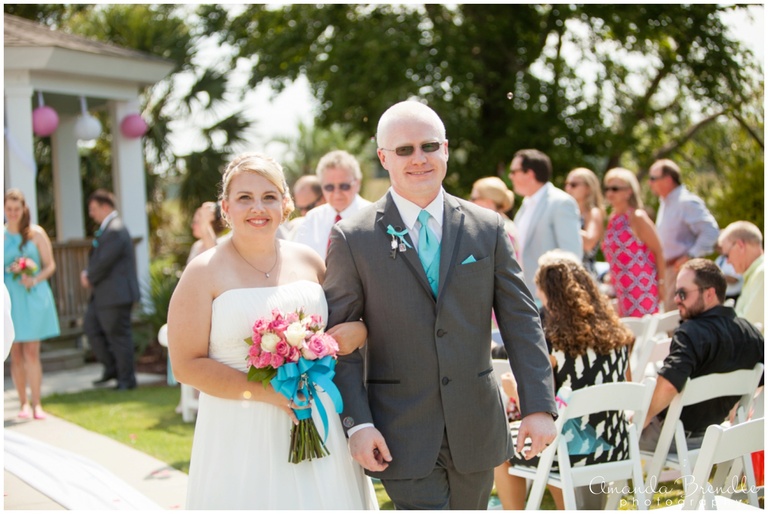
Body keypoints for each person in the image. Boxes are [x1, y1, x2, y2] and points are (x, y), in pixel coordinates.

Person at [324, 100, 557, 510]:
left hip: (476, 427)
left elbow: (523, 321)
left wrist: (539, 406)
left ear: (445, 149)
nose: (419, 159)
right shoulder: (353, 238)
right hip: (399, 432)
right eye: (404, 150)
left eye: (429, 146)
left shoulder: (487, 228)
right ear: (383, 158)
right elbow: (339, 343)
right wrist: (357, 423)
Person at [166, 152, 377, 509]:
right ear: (225, 208)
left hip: (319, 416)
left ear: (286, 205)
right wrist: (267, 394)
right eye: (244, 198)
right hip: (241, 428)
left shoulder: (310, 260)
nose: (257, 208)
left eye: (268, 197)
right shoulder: (202, 273)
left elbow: (350, 323)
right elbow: (186, 364)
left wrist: (357, 333)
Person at [494, 251, 634, 510]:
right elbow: (626, 388)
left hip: (573, 450)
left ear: (552, 296)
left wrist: (512, 389)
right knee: (559, 435)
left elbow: (543, 405)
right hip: (616, 444)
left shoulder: (555, 345)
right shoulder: (619, 338)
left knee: (498, 442)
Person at [640, 258, 764, 452]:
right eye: (676, 292)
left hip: (672, 437)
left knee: (611, 433)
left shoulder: (690, 332)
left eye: (683, 293)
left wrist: (641, 418)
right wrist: (740, 411)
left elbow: (670, 385)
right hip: (715, 438)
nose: (676, 299)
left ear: (709, 294)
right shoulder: (750, 333)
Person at [4, 188, 60, 420]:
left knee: (31, 352)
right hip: (10, 299)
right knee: (14, 352)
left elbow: (50, 265)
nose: (13, 213)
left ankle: (37, 404)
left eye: (17, 209)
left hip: (32, 295)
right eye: (9, 209)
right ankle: (23, 404)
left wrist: (33, 277)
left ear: (24, 209)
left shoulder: (36, 234)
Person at [80, 189, 140, 391]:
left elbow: (105, 261)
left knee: (119, 337)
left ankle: (127, 380)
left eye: (94, 209)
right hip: (103, 296)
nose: (91, 213)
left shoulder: (115, 229)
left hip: (116, 295)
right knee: (91, 327)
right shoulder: (108, 229)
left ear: (106, 207)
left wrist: (89, 275)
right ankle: (111, 369)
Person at [510, 148, 583, 300]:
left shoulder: (561, 203)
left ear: (529, 174)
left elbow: (571, 255)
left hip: (552, 297)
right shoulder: (526, 204)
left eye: (514, 171)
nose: (510, 176)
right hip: (527, 293)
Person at [648, 158, 719, 311]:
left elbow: (711, 231)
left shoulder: (685, 201)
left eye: (653, 178)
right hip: (669, 271)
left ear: (668, 180)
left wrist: (690, 256)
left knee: (678, 321)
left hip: (683, 272)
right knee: (671, 320)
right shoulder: (666, 202)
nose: (649, 183)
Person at [602, 167, 665, 317]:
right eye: (607, 188)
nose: (610, 193)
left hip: (641, 286)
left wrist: (662, 283)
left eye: (615, 188)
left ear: (629, 191)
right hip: (621, 287)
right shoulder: (613, 219)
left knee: (644, 330)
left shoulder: (637, 217)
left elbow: (658, 250)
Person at [292, 150, 372, 258]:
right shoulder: (312, 219)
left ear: (357, 183)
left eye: (344, 186)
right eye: (329, 187)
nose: (337, 192)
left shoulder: (374, 218)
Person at [718, 221, 764, 330]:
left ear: (740, 245)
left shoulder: (762, 274)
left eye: (727, 255)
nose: (727, 262)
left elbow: (746, 331)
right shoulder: (755, 274)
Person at [564, 167, 605, 280]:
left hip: (584, 276)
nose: (568, 188)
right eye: (567, 184)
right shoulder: (568, 212)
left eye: (573, 184)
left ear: (588, 188)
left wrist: (563, 225)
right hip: (566, 274)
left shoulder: (593, 213)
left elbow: (588, 243)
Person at [470, 176, 520, 259]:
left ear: (488, 202)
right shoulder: (506, 225)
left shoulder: (499, 229)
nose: (469, 202)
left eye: (473, 198)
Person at [280, 174, 325, 240]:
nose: (304, 213)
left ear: (324, 198)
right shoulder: (296, 228)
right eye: (300, 209)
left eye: (309, 207)